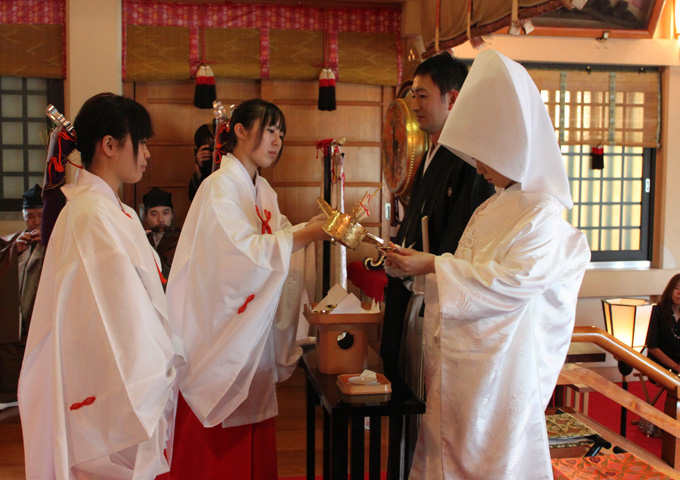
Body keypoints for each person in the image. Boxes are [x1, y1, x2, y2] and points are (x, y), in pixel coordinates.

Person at [385, 49, 591, 479]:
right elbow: (466, 267)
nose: (477, 166)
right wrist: (424, 268)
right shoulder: (495, 204)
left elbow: (512, 284)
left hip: (501, 370)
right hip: (461, 365)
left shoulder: (542, 213)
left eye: (483, 153)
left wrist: (431, 267)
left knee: (493, 463)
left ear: (512, 146)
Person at [18, 93, 182, 479]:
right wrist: (159, 363)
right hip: (105, 371)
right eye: (140, 142)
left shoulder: (116, 210)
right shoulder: (88, 213)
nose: (147, 154)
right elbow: (113, 311)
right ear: (109, 145)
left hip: (131, 361)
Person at [165, 98, 327, 479]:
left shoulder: (262, 190)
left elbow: (279, 240)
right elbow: (243, 256)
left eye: (281, 135)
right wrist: (307, 234)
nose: (276, 141)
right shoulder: (218, 188)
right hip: (220, 331)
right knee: (216, 436)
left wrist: (309, 229)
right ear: (239, 130)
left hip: (249, 336)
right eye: (269, 130)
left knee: (250, 424)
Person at [380, 51, 494, 380]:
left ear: (452, 98)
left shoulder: (469, 162)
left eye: (422, 95)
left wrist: (424, 265)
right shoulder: (431, 152)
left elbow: (462, 240)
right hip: (413, 290)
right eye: (412, 95)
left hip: (436, 300)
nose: (414, 105)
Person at [0, 185, 45, 411]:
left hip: (39, 321)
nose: (35, 222)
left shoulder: (57, 242)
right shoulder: (12, 242)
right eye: (30, 216)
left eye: (41, 216)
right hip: (13, 320)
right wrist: (12, 253)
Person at [143, 186, 180, 280]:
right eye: (154, 214)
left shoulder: (180, 239)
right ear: (145, 216)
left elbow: (166, 273)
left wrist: (145, 246)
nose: (160, 220)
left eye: (166, 213)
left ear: (173, 214)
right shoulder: (145, 238)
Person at [645, 274, 680, 373]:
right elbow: (652, 347)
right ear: (670, 290)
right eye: (677, 288)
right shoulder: (657, 311)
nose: (679, 293)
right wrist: (676, 367)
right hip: (660, 366)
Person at [188, 122, 214, 201]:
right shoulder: (200, 169)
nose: (208, 152)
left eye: (212, 147)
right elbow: (194, 199)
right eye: (205, 149)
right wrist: (199, 169)